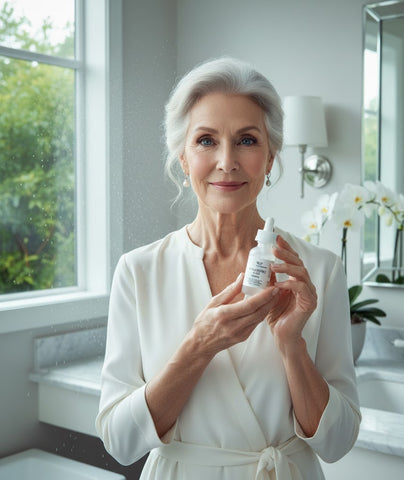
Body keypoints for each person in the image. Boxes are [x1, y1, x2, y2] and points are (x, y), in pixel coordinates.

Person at [96, 57, 361, 480]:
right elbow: (120, 441)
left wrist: (292, 344)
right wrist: (198, 346)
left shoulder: (319, 271)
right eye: (205, 141)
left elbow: (338, 443)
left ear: (270, 157)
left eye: (247, 140)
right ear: (182, 157)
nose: (226, 161)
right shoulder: (139, 271)